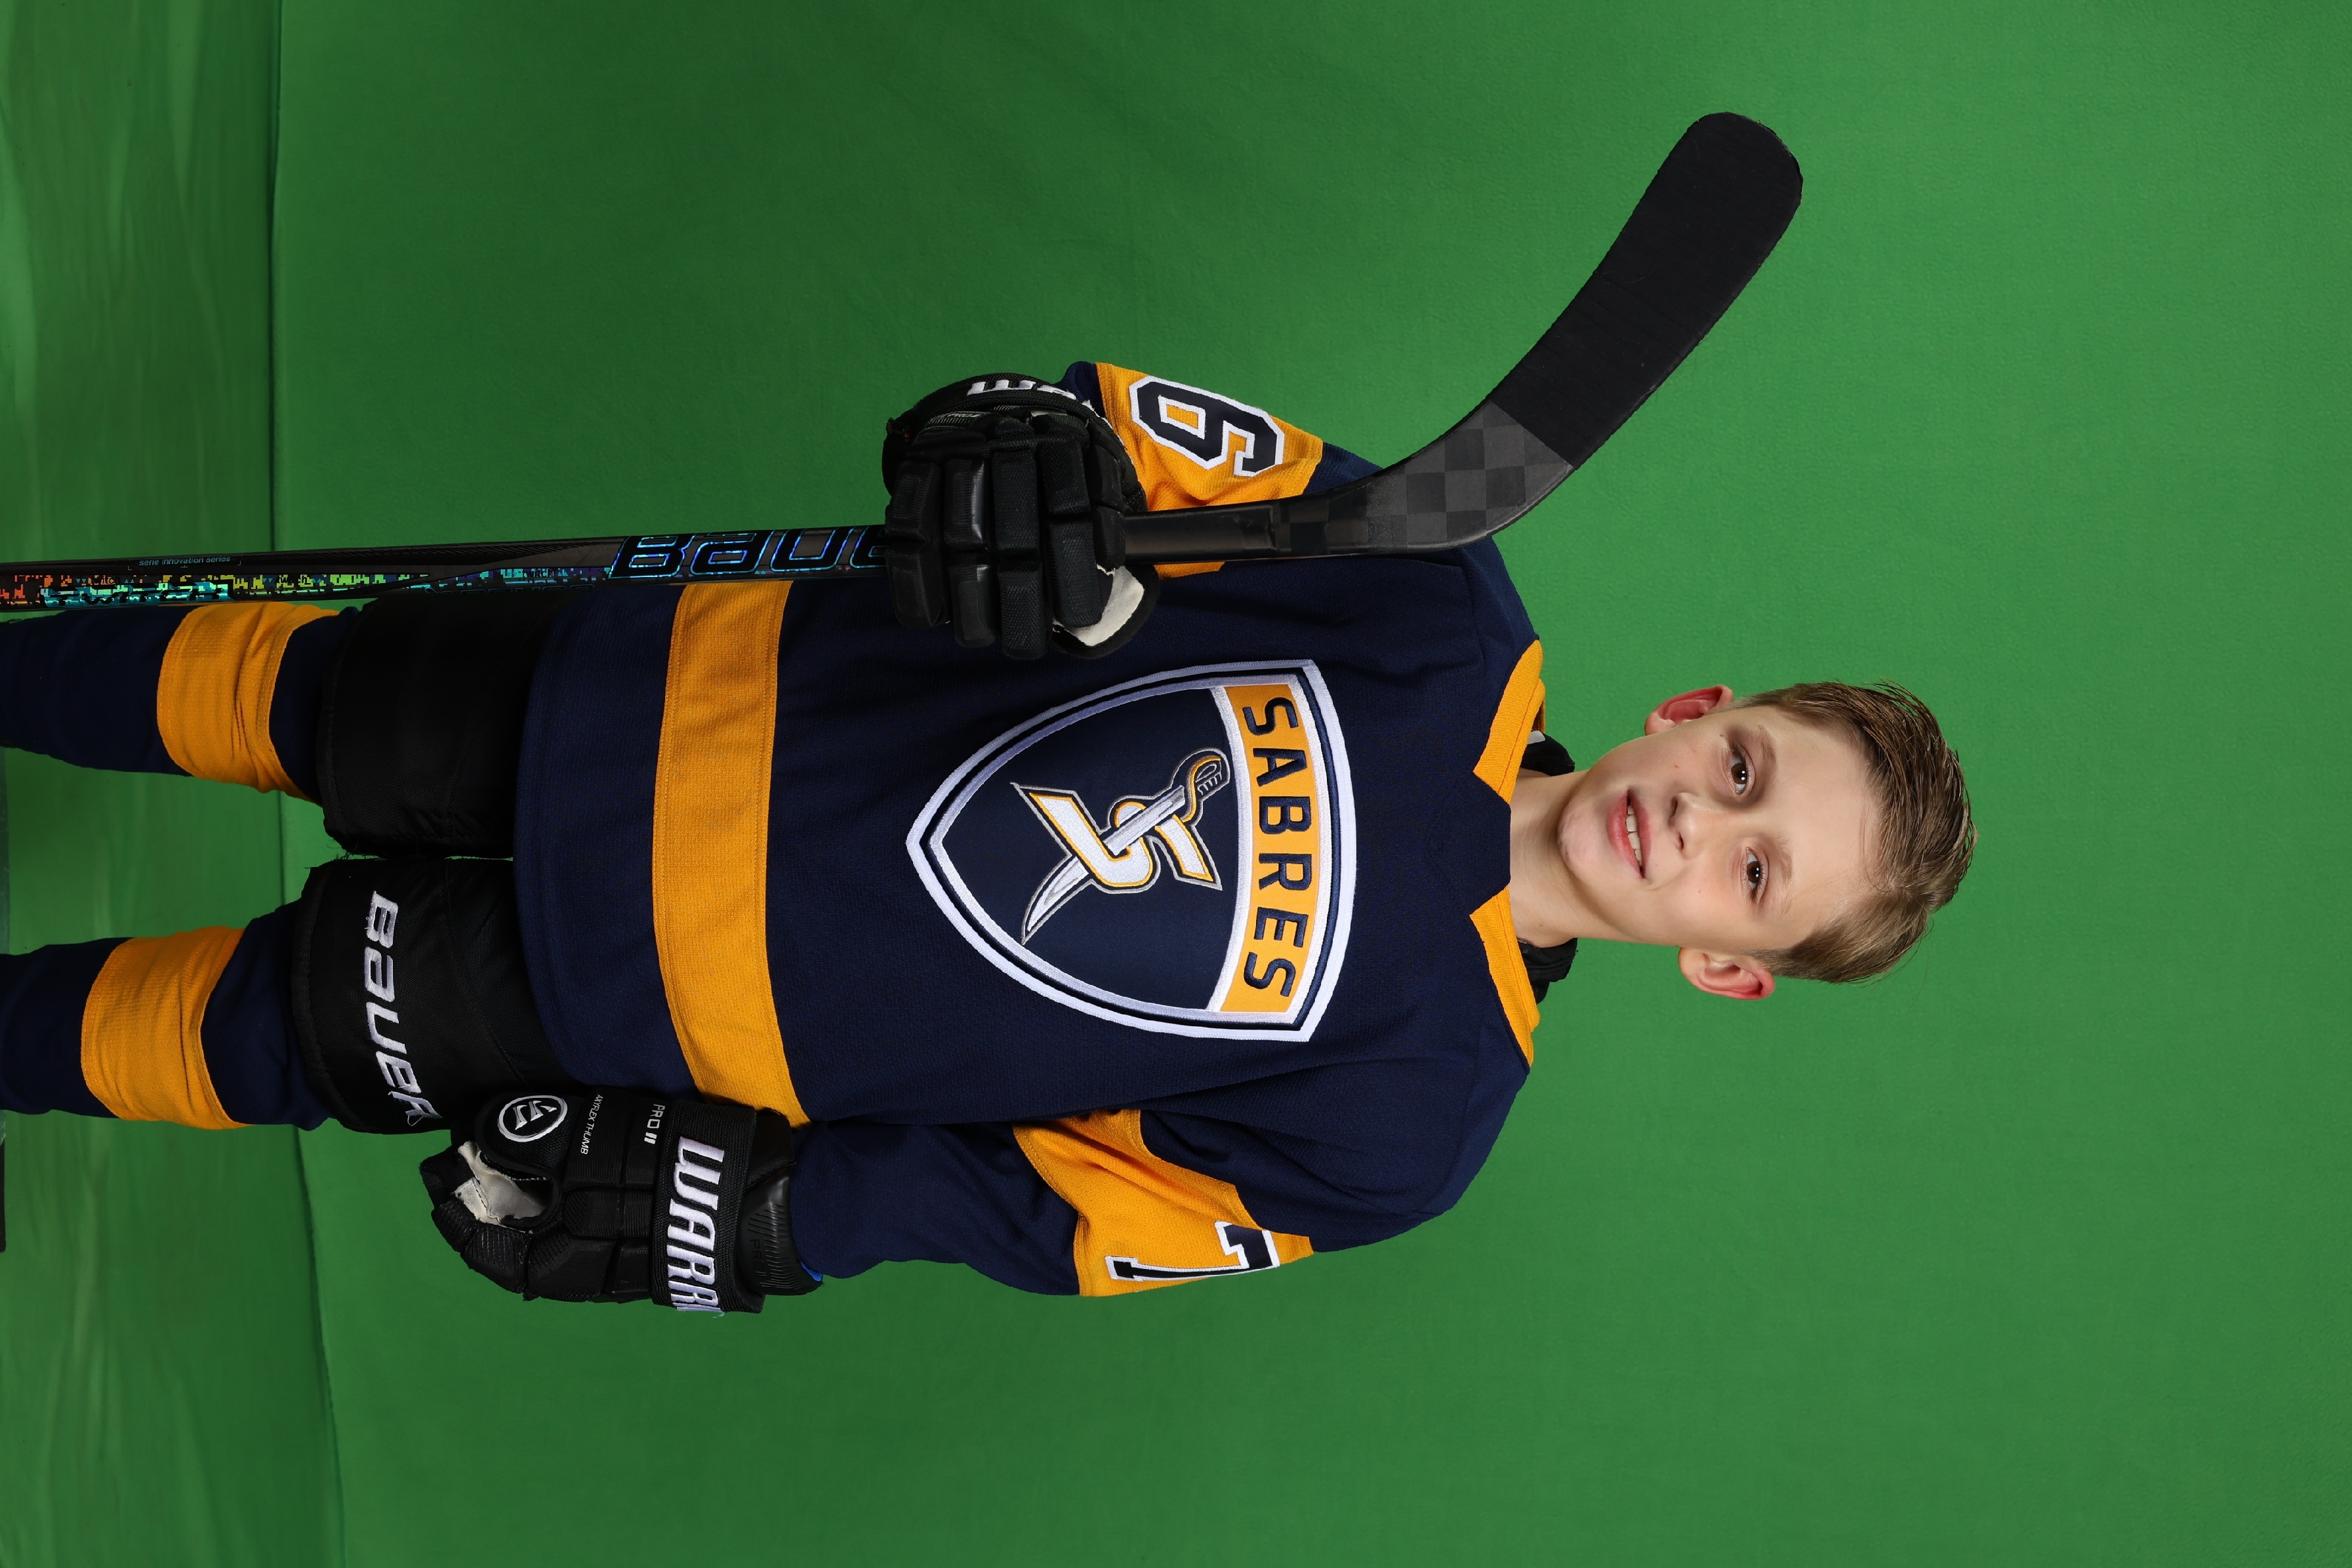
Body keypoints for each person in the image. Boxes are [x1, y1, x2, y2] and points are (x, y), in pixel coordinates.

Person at [0, 363, 1974, 1311]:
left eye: (1753, 876)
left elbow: (1058, 1208)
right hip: (665, 695)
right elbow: (1116, 427)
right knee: (280, 689)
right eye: (1743, 771)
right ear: (1697, 709)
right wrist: (1024, 446)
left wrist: (784, 1216)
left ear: (1727, 966)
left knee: (256, 1032)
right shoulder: (1427, 587)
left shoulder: (1414, 1126)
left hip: (661, 1008)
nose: (1695, 827)